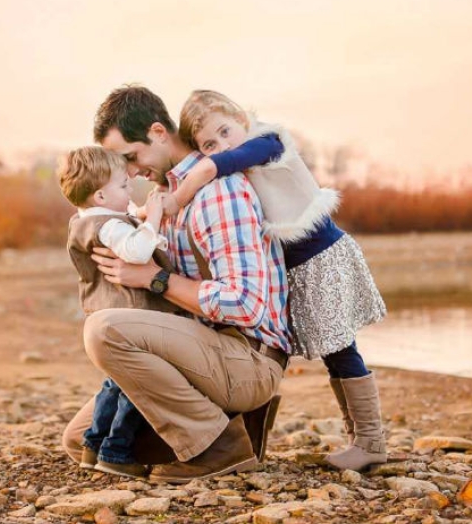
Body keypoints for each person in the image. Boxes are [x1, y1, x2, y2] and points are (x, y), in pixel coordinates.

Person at [60, 85, 291, 484]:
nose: (129, 173)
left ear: (158, 132)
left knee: (104, 331)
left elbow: (245, 304)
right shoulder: (161, 200)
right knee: (81, 439)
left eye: (131, 158)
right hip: (198, 351)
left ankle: (220, 446)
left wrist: (155, 279)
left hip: (247, 356)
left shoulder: (218, 191)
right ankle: (225, 425)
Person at [164, 90, 388, 471]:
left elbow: (208, 169)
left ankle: (370, 441)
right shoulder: (243, 159)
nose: (222, 145)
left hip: (320, 260)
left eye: (225, 131)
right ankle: (361, 439)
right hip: (302, 267)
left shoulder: (268, 142)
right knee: (336, 354)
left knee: (341, 350)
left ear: (240, 116)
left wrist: (175, 199)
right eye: (209, 143)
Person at [56, 146, 181, 478]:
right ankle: (116, 451)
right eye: (123, 187)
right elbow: (138, 251)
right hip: (131, 314)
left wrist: (139, 217)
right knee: (136, 385)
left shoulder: (86, 221)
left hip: (108, 311)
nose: (130, 191)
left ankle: (93, 444)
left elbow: (130, 232)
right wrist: (152, 217)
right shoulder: (108, 226)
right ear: (100, 195)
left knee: (116, 383)